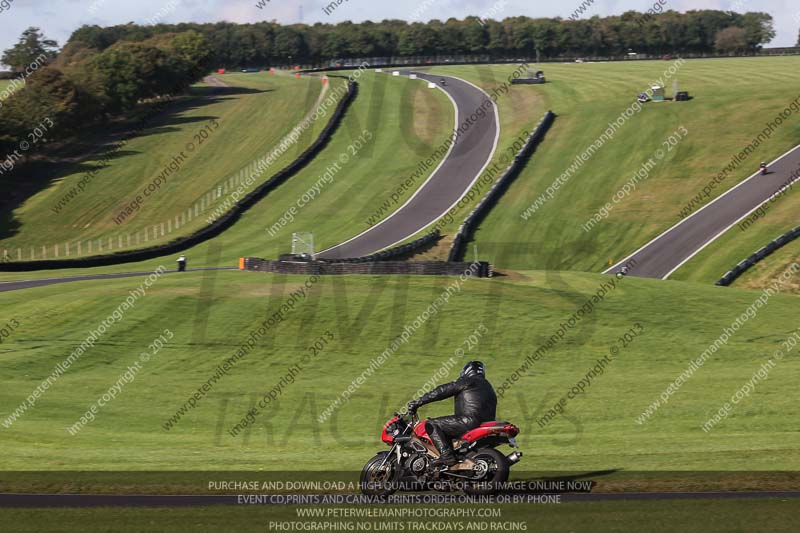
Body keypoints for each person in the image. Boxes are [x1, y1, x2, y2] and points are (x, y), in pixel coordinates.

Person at [406, 361, 497, 467]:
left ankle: (446, 455)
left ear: (467, 371)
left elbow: (442, 391)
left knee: (431, 424)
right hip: (485, 423)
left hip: (469, 421)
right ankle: (456, 461)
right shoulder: (489, 387)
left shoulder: (468, 381)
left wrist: (418, 402)